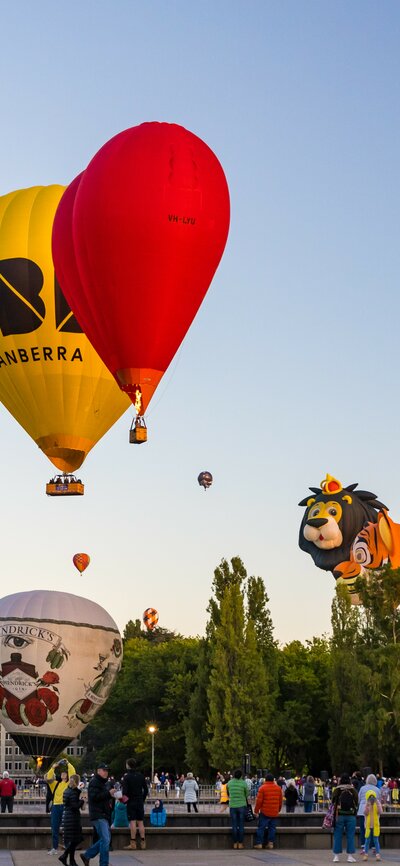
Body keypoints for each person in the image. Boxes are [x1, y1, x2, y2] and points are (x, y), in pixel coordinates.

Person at [80, 762, 115, 866]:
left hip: (102, 814)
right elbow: (95, 797)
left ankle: (87, 855)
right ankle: (103, 863)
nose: (106, 772)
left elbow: (100, 797)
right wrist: (109, 793)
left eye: (107, 771)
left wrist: (110, 795)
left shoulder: (101, 782)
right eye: (104, 770)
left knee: (105, 839)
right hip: (98, 815)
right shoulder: (95, 782)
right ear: (98, 771)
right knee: (105, 839)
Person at [45, 758, 76, 855]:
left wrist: (68, 763)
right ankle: (54, 848)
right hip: (55, 807)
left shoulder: (69, 784)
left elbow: (73, 773)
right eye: (62, 773)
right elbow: (49, 778)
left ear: (67, 776)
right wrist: (53, 767)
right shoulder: (56, 784)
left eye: (65, 773)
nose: (63, 774)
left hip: (65, 806)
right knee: (54, 827)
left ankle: (67, 846)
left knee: (66, 828)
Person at [122, 757, 148, 851]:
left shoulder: (127, 777)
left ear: (128, 765)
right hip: (139, 801)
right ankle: (143, 842)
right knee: (141, 822)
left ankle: (133, 843)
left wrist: (124, 801)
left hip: (131, 801)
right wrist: (142, 799)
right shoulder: (141, 776)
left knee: (132, 822)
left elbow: (124, 792)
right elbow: (146, 790)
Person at [331, 772, 358, 863]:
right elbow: (356, 801)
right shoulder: (352, 790)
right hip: (351, 815)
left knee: (337, 835)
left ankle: (336, 856)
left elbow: (333, 801)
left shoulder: (337, 789)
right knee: (350, 836)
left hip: (339, 815)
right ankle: (350, 856)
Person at [59, 774, 84, 866]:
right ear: (77, 782)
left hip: (67, 817)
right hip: (73, 818)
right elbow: (75, 806)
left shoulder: (66, 790)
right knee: (76, 840)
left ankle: (71, 860)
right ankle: (65, 856)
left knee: (73, 840)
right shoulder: (75, 792)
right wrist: (82, 801)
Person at [253, 772, 283, 851]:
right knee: (272, 828)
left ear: (265, 779)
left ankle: (259, 843)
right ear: (273, 780)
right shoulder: (278, 788)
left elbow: (259, 801)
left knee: (261, 827)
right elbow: (280, 801)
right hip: (274, 812)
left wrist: (256, 811)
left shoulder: (262, 788)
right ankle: (270, 843)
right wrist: (278, 809)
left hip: (264, 812)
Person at [357, 774, 381, 853]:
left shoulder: (362, 788)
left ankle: (364, 846)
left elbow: (359, 799)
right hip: (374, 812)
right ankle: (374, 846)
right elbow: (379, 801)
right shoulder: (377, 789)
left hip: (362, 810)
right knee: (374, 829)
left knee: (363, 828)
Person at [226, 769, 248, 850]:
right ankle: (241, 843)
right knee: (241, 825)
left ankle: (235, 843)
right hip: (242, 805)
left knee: (234, 825)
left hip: (233, 806)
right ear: (241, 775)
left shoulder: (230, 783)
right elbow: (247, 794)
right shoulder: (243, 783)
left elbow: (228, 792)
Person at [363, 790, 382, 861]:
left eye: (373, 797)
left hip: (375, 825)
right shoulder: (367, 804)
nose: (371, 799)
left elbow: (380, 812)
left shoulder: (377, 803)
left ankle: (378, 854)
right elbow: (365, 813)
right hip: (368, 826)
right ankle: (365, 854)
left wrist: (377, 804)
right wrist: (367, 806)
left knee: (376, 840)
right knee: (367, 840)